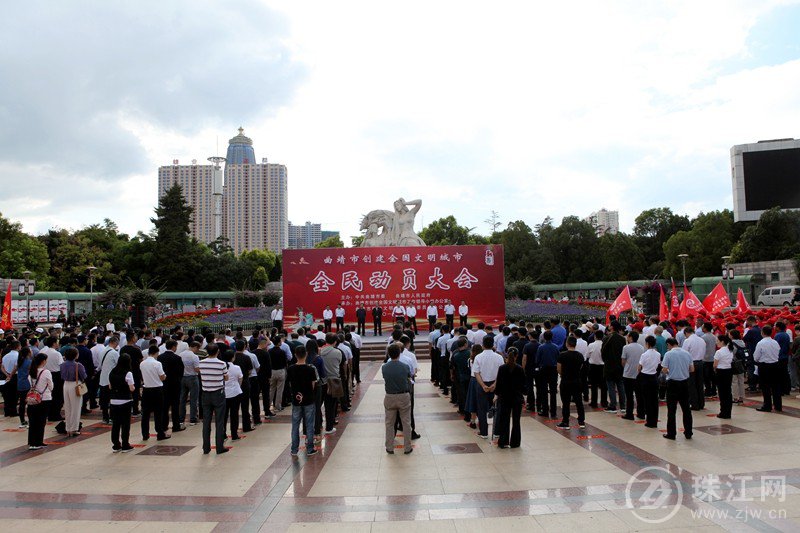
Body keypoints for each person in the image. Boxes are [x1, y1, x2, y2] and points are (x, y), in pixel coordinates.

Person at [287, 345, 319, 457]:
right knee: (310, 424)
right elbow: (313, 385)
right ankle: (310, 448)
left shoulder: (290, 369)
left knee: (295, 425)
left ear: (295, 355)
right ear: (306, 354)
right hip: (309, 399)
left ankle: (294, 449)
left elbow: (290, 384)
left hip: (296, 399)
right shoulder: (311, 369)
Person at [381, 343, 413, 454]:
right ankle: (407, 447)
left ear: (389, 354)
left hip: (389, 396)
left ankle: (389, 447)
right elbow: (409, 376)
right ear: (399, 353)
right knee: (406, 422)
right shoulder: (405, 366)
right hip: (403, 396)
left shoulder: (384, 367)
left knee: (389, 423)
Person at [198, 344, 229, 455]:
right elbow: (226, 377)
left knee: (206, 421)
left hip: (205, 393)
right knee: (219, 421)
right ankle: (219, 447)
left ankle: (206, 447)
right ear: (218, 351)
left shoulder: (201, 363)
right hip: (218, 393)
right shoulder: (221, 364)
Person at [661, 338, 694, 440]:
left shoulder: (668, 354)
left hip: (672, 383)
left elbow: (664, 369)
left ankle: (671, 433)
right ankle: (688, 432)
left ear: (669, 344)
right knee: (686, 409)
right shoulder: (687, 353)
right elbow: (692, 369)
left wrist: (670, 371)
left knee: (671, 410)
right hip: (684, 383)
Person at [473, 336, 504, 438]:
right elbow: (501, 373)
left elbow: (476, 373)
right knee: (497, 409)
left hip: (482, 384)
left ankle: (484, 432)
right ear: (493, 345)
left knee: (481, 409)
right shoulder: (499, 357)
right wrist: (495, 384)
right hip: (496, 385)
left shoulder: (478, 357)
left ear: (483, 345)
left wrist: (483, 385)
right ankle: (496, 432)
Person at [494, 347, 526, 447]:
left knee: (504, 419)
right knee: (516, 421)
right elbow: (523, 386)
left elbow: (498, 384)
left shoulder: (502, 368)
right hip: (516, 398)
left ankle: (503, 441)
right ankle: (515, 442)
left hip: (504, 397)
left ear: (507, 355)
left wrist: (496, 395)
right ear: (517, 356)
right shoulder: (520, 369)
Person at [140, 345, 169, 441]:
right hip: (157, 389)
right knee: (158, 412)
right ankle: (160, 433)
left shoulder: (142, 363)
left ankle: (145, 434)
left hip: (146, 389)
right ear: (156, 353)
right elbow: (162, 376)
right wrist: (164, 376)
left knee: (145, 413)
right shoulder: (157, 364)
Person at [556, 337, 586, 430]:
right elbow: (581, 367)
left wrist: (563, 374)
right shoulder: (580, 356)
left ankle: (565, 422)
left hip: (565, 381)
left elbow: (558, 368)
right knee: (579, 402)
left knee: (566, 402)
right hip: (577, 380)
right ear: (575, 344)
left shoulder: (562, 355)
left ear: (567, 344)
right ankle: (581, 421)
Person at [108, 353, 135, 452]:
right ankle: (125, 445)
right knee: (125, 424)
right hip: (125, 400)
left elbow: (110, 386)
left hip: (113, 400)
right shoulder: (128, 373)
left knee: (116, 424)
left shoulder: (112, 371)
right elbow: (131, 388)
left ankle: (116, 445)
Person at [27, 353, 53, 450]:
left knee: (33, 421)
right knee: (41, 421)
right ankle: (38, 441)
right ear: (43, 361)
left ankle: (32, 442)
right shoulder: (46, 372)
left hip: (32, 399)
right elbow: (51, 386)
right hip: (44, 398)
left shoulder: (31, 371)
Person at [60, 347, 87, 437]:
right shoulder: (78, 365)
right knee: (76, 407)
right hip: (75, 385)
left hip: (66, 384)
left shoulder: (63, 364)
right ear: (75, 355)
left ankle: (68, 428)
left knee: (67, 407)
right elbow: (84, 376)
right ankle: (74, 428)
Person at [320, 333, 344, 434]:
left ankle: (319, 424)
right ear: (335, 342)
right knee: (331, 405)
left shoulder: (320, 351)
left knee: (320, 403)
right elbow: (339, 363)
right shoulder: (337, 352)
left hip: (322, 381)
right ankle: (329, 427)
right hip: (333, 380)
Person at [159, 340, 185, 432]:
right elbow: (181, 372)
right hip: (175, 384)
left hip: (164, 384)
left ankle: (164, 425)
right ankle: (176, 425)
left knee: (165, 406)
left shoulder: (160, 357)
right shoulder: (177, 358)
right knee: (175, 405)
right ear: (174, 347)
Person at [754, 325, 781, 412]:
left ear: (762, 332)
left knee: (765, 387)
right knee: (776, 387)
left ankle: (767, 406)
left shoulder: (760, 343)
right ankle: (778, 406)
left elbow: (756, 357)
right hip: (775, 365)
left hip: (764, 366)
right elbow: (778, 352)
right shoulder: (775, 342)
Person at [601, 322, 626, 413]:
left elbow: (603, 352)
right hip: (619, 364)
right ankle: (623, 406)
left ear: (612, 327)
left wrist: (605, 361)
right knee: (620, 385)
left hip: (609, 365)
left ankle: (613, 405)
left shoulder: (607, 338)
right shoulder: (622, 338)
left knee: (611, 386)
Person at [620, 331, 645, 421]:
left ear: (630, 337)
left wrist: (626, 367)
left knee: (629, 395)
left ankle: (629, 414)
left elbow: (623, 361)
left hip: (628, 374)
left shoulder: (626, 347)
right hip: (638, 374)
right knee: (639, 395)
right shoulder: (641, 347)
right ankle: (641, 413)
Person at [535, 330, 559, 419]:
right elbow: (558, 357)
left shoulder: (541, 347)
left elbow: (537, 360)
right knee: (553, 392)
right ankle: (553, 412)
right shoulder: (556, 347)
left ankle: (545, 410)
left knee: (544, 391)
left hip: (543, 370)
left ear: (544, 337)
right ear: (552, 337)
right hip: (553, 370)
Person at [638, 335, 661, 428]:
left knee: (647, 400)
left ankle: (649, 421)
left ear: (647, 344)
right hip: (654, 377)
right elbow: (658, 365)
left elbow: (639, 367)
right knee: (654, 400)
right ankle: (654, 421)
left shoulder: (644, 354)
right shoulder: (658, 354)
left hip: (645, 377)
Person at [222, 349, 244, 441]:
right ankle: (234, 434)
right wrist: (237, 386)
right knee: (234, 415)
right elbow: (240, 379)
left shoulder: (221, 367)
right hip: (235, 392)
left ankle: (222, 434)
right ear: (232, 358)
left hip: (224, 394)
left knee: (223, 415)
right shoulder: (237, 368)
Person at [98, 337, 120, 424]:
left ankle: (105, 417)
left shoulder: (102, 351)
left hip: (103, 379)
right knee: (112, 399)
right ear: (114, 343)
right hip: (111, 380)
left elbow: (100, 365)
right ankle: (112, 417)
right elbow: (118, 365)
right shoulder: (114, 353)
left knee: (104, 400)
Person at [42, 337, 64, 422]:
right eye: (57, 342)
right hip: (56, 375)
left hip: (46, 373)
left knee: (49, 394)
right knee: (58, 396)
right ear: (54, 343)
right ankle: (55, 414)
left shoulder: (43, 351)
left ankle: (49, 413)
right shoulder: (56, 353)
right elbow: (61, 366)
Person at [179, 341, 201, 426]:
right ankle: (193, 419)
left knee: (182, 399)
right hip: (192, 377)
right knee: (194, 399)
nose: (197, 351)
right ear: (195, 347)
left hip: (183, 377)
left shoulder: (181, 354)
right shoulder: (194, 356)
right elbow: (196, 369)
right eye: (197, 349)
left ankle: (181, 419)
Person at [714, 335, 734, 419]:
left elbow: (715, 365)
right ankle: (728, 412)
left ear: (722, 342)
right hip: (729, 371)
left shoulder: (719, 352)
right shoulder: (730, 350)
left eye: (717, 341)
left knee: (722, 393)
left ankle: (723, 412)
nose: (716, 342)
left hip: (721, 372)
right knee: (728, 392)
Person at [586, 329, 607, 408]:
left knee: (594, 385)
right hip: (603, 367)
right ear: (602, 337)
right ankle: (604, 402)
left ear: (595, 336)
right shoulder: (604, 344)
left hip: (593, 366)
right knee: (603, 385)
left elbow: (587, 355)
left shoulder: (591, 345)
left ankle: (594, 402)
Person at [269, 336, 289, 412]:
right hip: (281, 371)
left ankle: (268, 404)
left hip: (272, 371)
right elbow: (285, 362)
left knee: (271, 389)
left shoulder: (270, 351)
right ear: (278, 343)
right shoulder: (282, 352)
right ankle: (278, 405)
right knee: (280, 390)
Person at [15, 347, 33, 428]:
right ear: (28, 353)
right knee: (29, 403)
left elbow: (14, 370)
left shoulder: (19, 361)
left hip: (20, 383)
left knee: (22, 403)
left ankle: (22, 421)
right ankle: (30, 420)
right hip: (27, 383)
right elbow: (32, 373)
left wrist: (9, 376)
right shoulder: (29, 362)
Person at [2, 340, 20, 417]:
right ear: (18, 346)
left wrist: (7, 374)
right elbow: (16, 367)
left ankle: (7, 411)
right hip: (14, 376)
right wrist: (11, 375)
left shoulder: (5, 356)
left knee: (7, 395)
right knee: (14, 395)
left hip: (6, 376)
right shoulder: (18, 355)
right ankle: (13, 411)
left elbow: (2, 367)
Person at [730, 330, 747, 403]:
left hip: (734, 363)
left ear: (732, 336)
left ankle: (735, 397)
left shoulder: (732, 343)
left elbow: (732, 354)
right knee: (741, 381)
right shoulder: (742, 343)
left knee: (734, 381)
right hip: (742, 363)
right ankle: (741, 397)